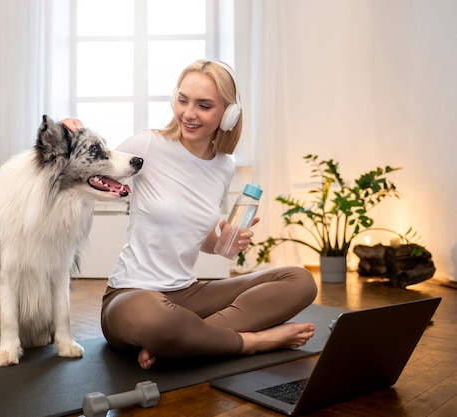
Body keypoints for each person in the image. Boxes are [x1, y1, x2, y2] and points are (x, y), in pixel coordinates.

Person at [62, 59, 317, 369]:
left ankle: (187, 341)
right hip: (133, 295)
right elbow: (91, 168)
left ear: (229, 113)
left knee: (300, 280)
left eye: (204, 105)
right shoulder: (148, 145)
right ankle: (253, 342)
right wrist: (69, 136)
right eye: (183, 100)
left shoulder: (223, 166)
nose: (188, 113)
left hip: (189, 293)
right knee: (158, 319)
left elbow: (203, 239)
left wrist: (224, 242)